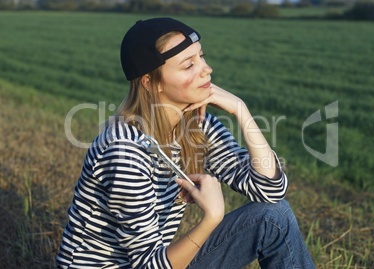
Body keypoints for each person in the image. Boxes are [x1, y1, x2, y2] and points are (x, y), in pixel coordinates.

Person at [56, 17, 315, 269]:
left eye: (201, 56)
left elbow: (269, 191)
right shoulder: (124, 151)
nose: (206, 69)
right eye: (188, 64)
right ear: (150, 82)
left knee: (274, 217)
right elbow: (149, 265)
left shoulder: (198, 127)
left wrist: (241, 111)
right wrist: (212, 218)